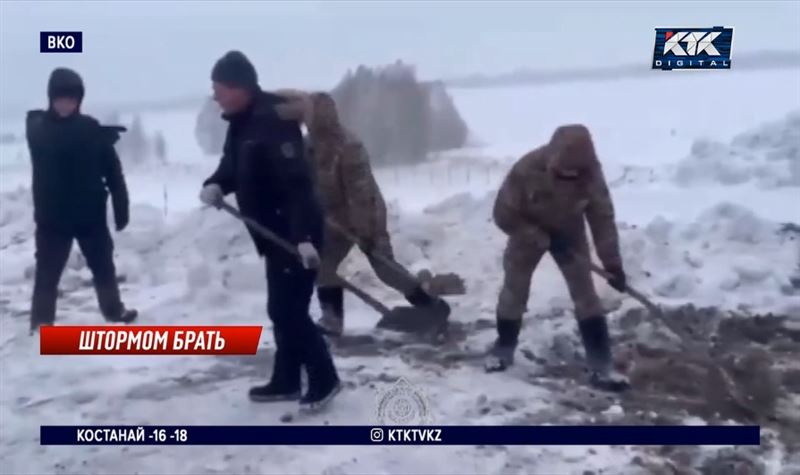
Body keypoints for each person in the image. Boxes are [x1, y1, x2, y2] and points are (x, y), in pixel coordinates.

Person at [198, 51, 340, 410]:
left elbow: (298, 187)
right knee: (281, 309)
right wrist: (216, 183)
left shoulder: (273, 122)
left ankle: (325, 378)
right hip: (272, 235)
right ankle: (287, 378)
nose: (214, 95)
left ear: (238, 88)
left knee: (288, 311)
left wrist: (305, 238)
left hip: (293, 236)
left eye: (218, 87)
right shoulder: (242, 122)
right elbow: (231, 167)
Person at [273, 90, 450, 337]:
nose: (307, 120)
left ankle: (432, 306)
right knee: (324, 265)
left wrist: (365, 231)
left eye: (310, 115)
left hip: (366, 213)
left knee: (384, 267)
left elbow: (361, 194)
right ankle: (332, 319)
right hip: (332, 218)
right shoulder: (307, 145)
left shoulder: (348, 146)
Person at [488, 124, 629, 391]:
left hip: (569, 231)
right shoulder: (526, 169)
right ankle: (503, 348)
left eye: (574, 174)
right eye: (563, 172)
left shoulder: (591, 175)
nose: (569, 177)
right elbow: (502, 214)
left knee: (585, 294)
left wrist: (613, 264)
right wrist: (537, 235)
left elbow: (602, 218)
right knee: (514, 289)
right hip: (526, 230)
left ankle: (601, 366)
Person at [26, 68, 137, 332]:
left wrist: (121, 205)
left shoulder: (91, 131)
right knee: (47, 276)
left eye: (72, 99)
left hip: (90, 217)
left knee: (104, 268)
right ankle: (42, 325)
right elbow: (52, 136)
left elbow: (114, 172)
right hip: (53, 220)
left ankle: (114, 311)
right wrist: (94, 133)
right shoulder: (39, 130)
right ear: (51, 99)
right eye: (60, 99)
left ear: (79, 101)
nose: (66, 104)